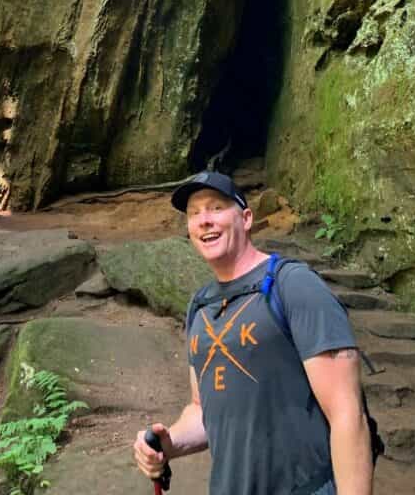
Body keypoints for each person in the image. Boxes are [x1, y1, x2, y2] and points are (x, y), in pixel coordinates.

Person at [133, 171, 372, 495]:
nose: (204, 220)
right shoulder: (199, 307)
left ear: (246, 218)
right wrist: (168, 444)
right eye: (194, 213)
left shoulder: (293, 285)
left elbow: (347, 413)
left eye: (216, 208)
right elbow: (203, 409)